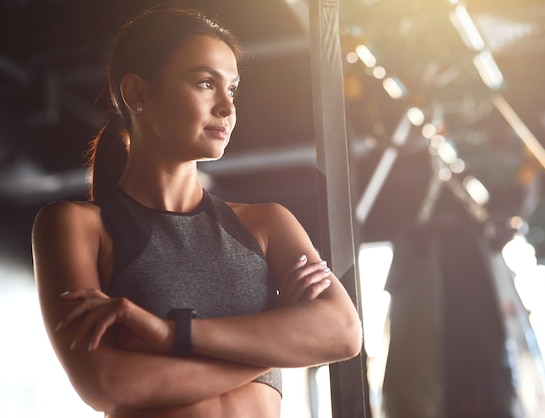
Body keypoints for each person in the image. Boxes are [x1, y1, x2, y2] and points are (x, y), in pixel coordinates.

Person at [31, 6, 362, 417]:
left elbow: (343, 334)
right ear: (137, 94)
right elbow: (109, 386)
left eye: (233, 89)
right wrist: (277, 337)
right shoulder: (77, 227)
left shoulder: (267, 224)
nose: (227, 107)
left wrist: (172, 334)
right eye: (205, 83)